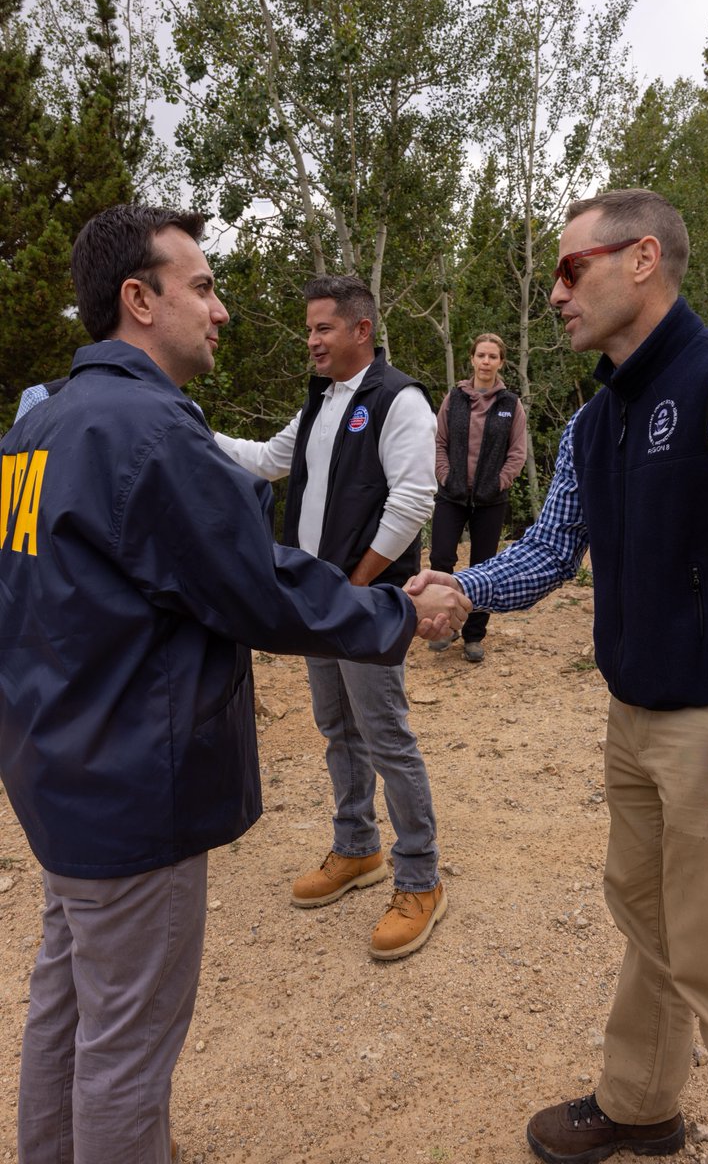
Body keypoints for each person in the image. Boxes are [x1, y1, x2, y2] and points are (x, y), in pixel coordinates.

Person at [0, 205, 469, 1164]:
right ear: (140, 299)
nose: (222, 312)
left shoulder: (37, 428)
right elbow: (253, 585)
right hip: (131, 788)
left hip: (56, 772)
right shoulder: (148, 433)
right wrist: (395, 614)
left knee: (69, 1004)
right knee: (127, 1046)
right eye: (203, 287)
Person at [407, 188, 708, 1164]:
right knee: (647, 925)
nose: (553, 292)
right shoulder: (595, 421)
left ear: (639, 262)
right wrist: (459, 587)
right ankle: (638, 1104)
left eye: (569, 268)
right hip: (630, 722)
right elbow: (547, 551)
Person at [215, 275, 449, 961]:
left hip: (362, 602)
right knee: (337, 727)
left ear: (361, 330)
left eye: (323, 328)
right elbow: (264, 464)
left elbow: (412, 502)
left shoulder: (398, 398)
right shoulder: (320, 403)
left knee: (385, 735)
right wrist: (186, 429)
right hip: (319, 601)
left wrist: (354, 586)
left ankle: (421, 876)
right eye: (309, 329)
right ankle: (356, 847)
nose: (311, 341)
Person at [427, 333, 526, 662]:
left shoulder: (510, 404)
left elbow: (517, 452)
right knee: (441, 559)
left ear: (501, 362)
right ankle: (444, 627)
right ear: (471, 358)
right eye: (481, 355)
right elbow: (439, 441)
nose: (486, 361)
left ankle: (473, 635)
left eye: (493, 356)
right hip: (451, 496)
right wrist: (444, 475)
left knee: (483, 568)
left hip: (490, 500)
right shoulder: (453, 399)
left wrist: (499, 482)